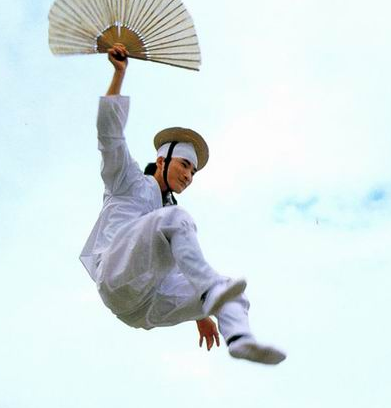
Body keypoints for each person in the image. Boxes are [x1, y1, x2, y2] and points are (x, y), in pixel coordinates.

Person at [79, 43, 286, 365]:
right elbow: (110, 135)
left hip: (144, 308)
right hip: (115, 277)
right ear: (162, 160)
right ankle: (211, 293)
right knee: (175, 220)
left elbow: (178, 264)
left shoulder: (168, 216)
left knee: (230, 286)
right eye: (185, 165)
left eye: (193, 171)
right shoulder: (127, 181)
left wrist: (200, 313)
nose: (189, 175)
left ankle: (240, 339)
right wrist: (119, 75)